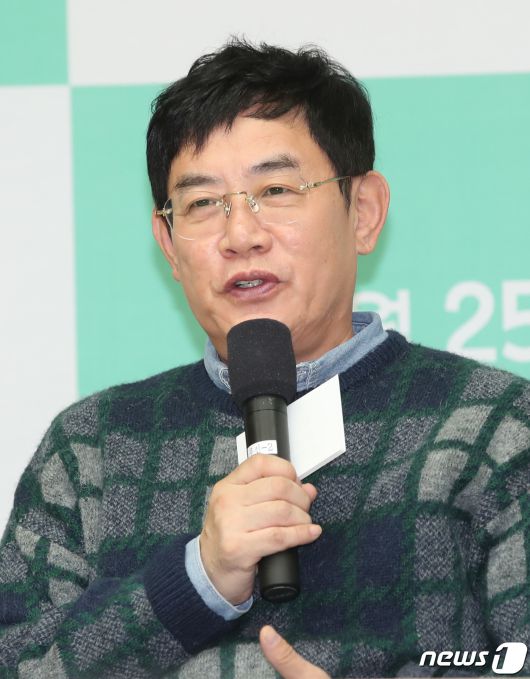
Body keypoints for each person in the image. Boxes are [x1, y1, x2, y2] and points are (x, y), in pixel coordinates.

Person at [1, 39, 529, 679]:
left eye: (276, 189)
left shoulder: (496, 428)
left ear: (363, 212)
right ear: (168, 243)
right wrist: (196, 580)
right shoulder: (90, 448)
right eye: (202, 203)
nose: (240, 235)